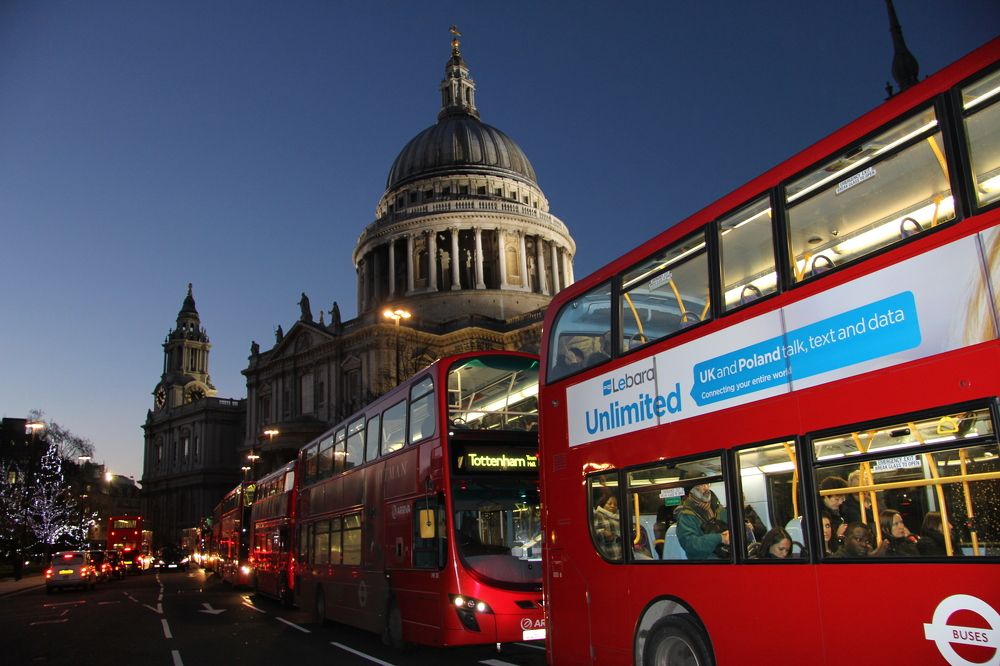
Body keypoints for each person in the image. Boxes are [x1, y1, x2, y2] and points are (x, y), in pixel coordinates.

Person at [674, 480, 729, 560]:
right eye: (701, 485)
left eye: (707, 483)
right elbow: (690, 544)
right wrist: (720, 538)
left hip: (727, 560)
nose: (706, 488)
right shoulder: (686, 514)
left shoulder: (718, 508)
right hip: (703, 566)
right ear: (691, 490)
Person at [818, 475, 849, 547]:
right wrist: (837, 535)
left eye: (842, 498)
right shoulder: (818, 515)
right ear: (825, 496)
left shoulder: (842, 509)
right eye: (837, 499)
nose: (840, 502)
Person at [593, 493, 622, 560]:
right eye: (609, 503)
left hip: (621, 555)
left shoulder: (620, 515)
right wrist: (603, 533)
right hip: (607, 555)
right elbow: (592, 531)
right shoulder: (597, 514)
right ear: (603, 504)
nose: (613, 506)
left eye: (615, 504)